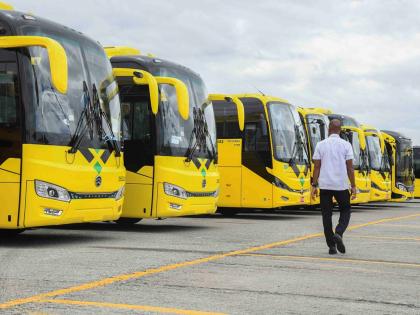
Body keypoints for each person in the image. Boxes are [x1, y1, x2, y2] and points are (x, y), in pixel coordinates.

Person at [311, 119, 356, 255]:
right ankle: (339, 233)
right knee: (345, 210)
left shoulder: (320, 145)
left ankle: (331, 246)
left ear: (329, 129)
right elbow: (350, 168)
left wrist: (314, 185)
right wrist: (353, 185)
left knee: (326, 216)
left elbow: (317, 166)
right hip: (341, 185)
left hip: (325, 185)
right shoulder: (346, 145)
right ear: (340, 130)